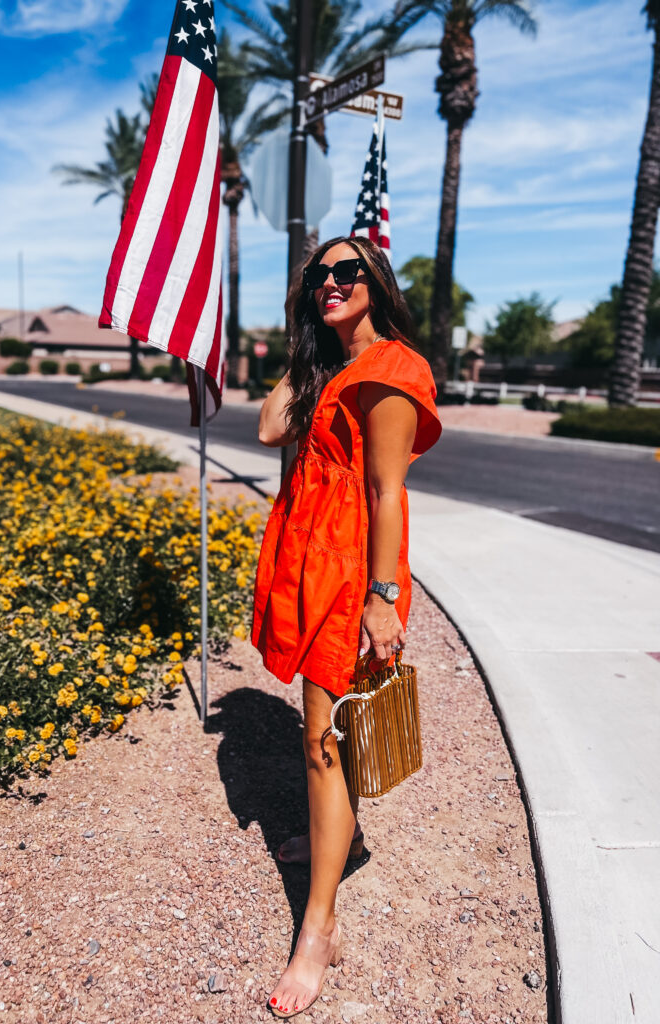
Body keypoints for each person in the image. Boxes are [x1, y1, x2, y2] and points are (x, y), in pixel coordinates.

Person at [251, 236, 443, 1019]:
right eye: (318, 276)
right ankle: (343, 843)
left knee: (321, 742)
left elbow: (387, 491)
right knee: (328, 736)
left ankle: (318, 926)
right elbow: (269, 428)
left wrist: (383, 596)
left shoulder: (395, 368)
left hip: (350, 570)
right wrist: (312, 342)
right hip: (310, 557)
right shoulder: (329, 365)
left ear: (376, 282)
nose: (330, 282)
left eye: (345, 273)